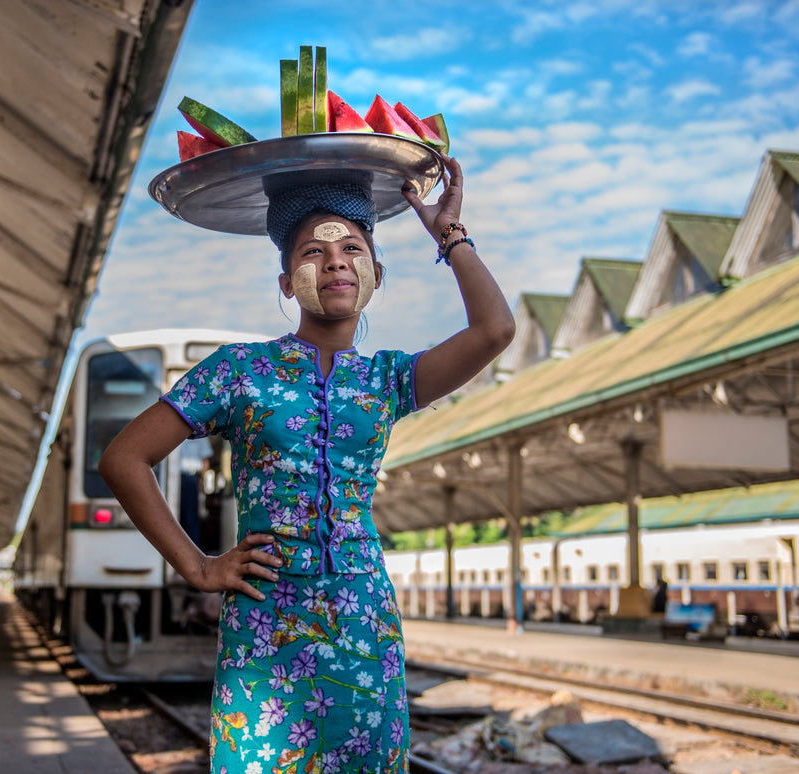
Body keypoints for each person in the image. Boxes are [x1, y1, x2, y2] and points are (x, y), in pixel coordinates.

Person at [100, 151, 515, 771]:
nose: (336, 262)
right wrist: (199, 567)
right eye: (312, 253)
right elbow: (124, 458)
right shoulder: (239, 371)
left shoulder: (389, 379)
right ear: (285, 281)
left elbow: (494, 330)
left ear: (377, 272)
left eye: (352, 249)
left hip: (363, 620)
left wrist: (447, 233)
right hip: (265, 619)